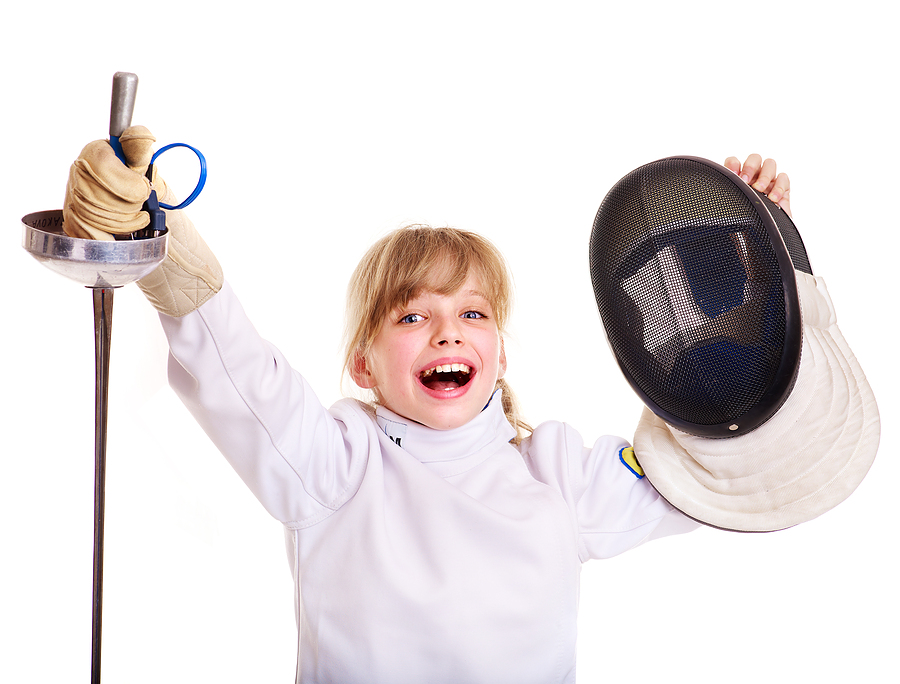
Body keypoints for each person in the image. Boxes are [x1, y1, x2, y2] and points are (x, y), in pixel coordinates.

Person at [63, 129, 791, 683]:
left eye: (473, 314)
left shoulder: (564, 475)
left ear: (500, 354)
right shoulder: (337, 464)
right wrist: (159, 238)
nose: (447, 329)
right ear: (363, 366)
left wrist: (751, 262)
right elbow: (240, 373)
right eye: (412, 317)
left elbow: (718, 466)